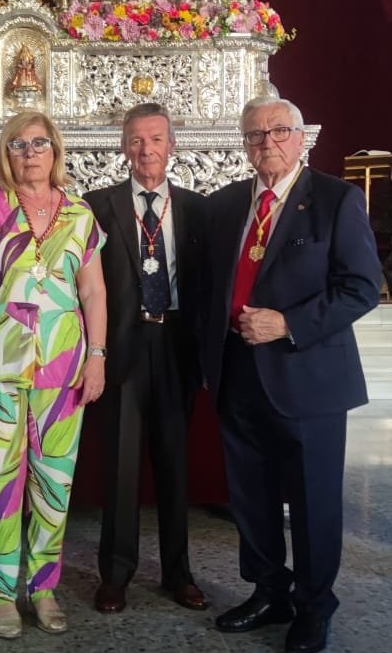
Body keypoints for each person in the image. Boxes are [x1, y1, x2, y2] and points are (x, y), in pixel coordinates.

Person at [203, 96, 381, 653]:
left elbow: (361, 287)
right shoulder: (226, 204)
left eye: (279, 131)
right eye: (255, 136)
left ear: (302, 137)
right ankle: (267, 590)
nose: (267, 144)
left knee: (312, 500)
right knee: (250, 497)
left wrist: (288, 323)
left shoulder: (336, 199)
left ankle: (313, 605)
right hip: (238, 372)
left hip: (308, 375)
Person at [0, 110, 107, 640]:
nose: (30, 152)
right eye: (18, 144)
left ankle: (42, 587)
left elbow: (93, 291)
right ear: (6, 153)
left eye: (40, 143)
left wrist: (98, 355)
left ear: (55, 150)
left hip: (62, 370)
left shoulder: (80, 214)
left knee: (53, 483)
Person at [85, 102, 209, 615]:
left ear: (171, 145)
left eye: (155, 139)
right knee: (121, 467)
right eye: (135, 140)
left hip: (177, 345)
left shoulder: (199, 208)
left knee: (175, 467)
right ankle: (115, 576)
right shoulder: (97, 205)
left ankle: (178, 574)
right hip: (122, 349)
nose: (145, 150)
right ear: (123, 147)